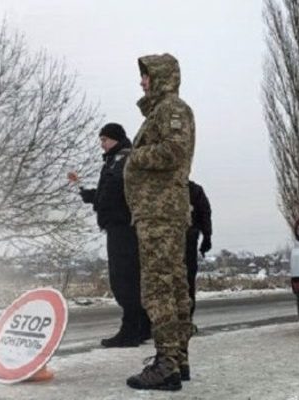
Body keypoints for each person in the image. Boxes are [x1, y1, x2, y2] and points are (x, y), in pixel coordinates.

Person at [124, 53, 195, 391]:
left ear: (161, 77)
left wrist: (132, 156)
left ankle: (166, 363)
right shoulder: (163, 110)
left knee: (158, 287)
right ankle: (177, 359)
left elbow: (174, 150)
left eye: (146, 76)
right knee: (174, 284)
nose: (142, 82)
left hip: (160, 212)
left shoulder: (172, 109)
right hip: (161, 212)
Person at [67, 122, 151, 348]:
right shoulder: (114, 160)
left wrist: (101, 200)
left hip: (124, 226)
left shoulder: (125, 159)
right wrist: (91, 195)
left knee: (124, 280)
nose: (102, 145)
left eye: (104, 140)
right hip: (118, 225)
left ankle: (131, 330)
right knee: (130, 279)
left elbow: (119, 193)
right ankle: (142, 327)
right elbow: (109, 193)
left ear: (115, 138)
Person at [185, 180, 212, 318]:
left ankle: (185, 319)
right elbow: (205, 213)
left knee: (186, 283)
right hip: (187, 241)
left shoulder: (193, 190)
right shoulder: (194, 189)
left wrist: (207, 236)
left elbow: (205, 212)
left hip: (187, 243)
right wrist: (206, 236)